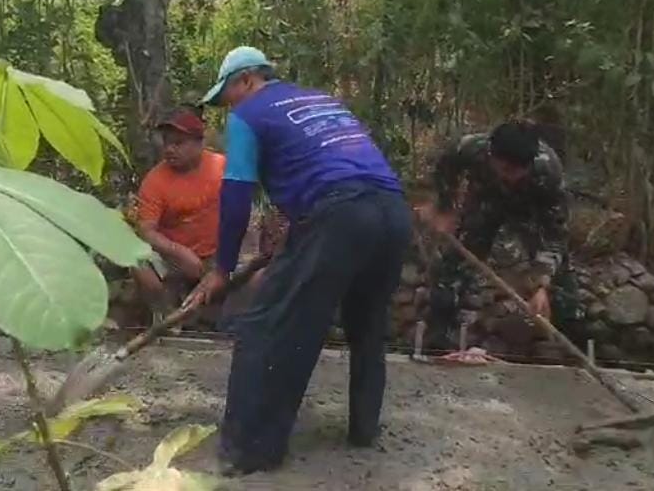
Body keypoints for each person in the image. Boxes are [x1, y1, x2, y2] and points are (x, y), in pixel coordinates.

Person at [184, 46, 411, 474]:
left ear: (247, 80)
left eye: (227, 94)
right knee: (368, 323)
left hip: (340, 214)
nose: (226, 106)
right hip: (393, 211)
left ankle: (249, 450)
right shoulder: (321, 100)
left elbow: (236, 194)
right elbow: (334, 164)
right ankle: (364, 429)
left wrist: (222, 268)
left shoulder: (248, 114)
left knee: (267, 327)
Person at [419, 121, 574, 347]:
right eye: (505, 170)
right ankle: (438, 340)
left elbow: (554, 234)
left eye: (518, 172)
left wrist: (542, 283)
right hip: (487, 202)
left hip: (531, 210)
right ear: (490, 156)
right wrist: (444, 207)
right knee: (452, 267)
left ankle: (563, 343)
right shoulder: (472, 147)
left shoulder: (549, 171)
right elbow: (446, 168)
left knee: (560, 284)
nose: (511, 178)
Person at [131, 108, 225, 324]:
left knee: (256, 275)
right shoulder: (155, 181)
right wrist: (178, 252)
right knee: (138, 264)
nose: (169, 149)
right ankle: (165, 317)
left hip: (219, 254)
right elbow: (146, 230)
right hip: (174, 257)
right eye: (166, 142)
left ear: (200, 143)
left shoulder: (222, 166)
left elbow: (241, 209)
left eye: (178, 143)